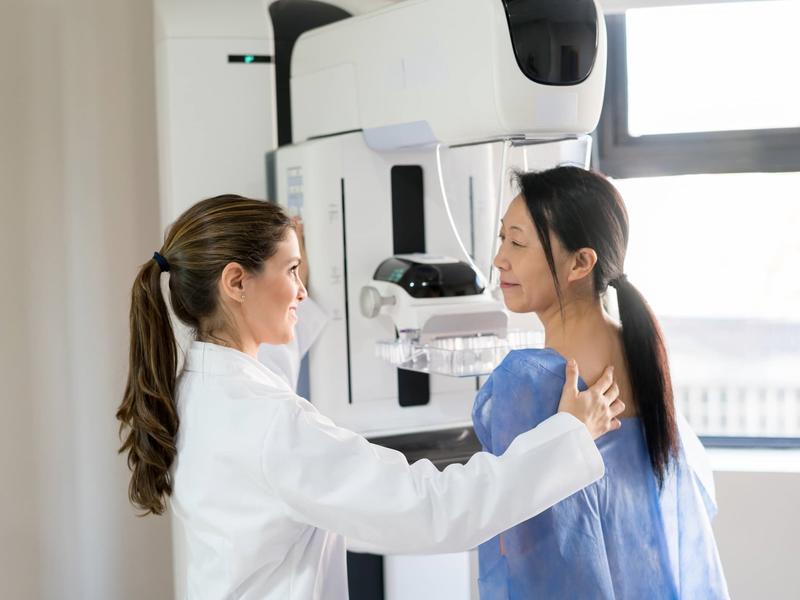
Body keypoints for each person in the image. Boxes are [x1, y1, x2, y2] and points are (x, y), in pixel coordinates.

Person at [116, 194, 623, 600]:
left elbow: (265, 382)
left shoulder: (196, 387)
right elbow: (435, 512)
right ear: (235, 282)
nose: (299, 290)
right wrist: (568, 437)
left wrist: (293, 286)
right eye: (291, 271)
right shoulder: (271, 424)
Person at [472, 166, 729, 599]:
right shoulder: (641, 352)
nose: (500, 258)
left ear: (580, 262)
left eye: (517, 242)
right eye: (502, 238)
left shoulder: (529, 381)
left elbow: (515, 547)